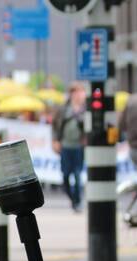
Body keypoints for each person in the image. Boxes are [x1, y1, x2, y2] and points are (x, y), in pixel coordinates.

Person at [51, 82, 87, 212]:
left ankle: (78, 201)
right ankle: (72, 198)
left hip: (79, 146)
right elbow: (55, 126)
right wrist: (55, 140)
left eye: (81, 92)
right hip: (65, 146)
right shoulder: (63, 109)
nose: (79, 95)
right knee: (65, 175)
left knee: (77, 175)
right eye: (76, 92)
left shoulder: (86, 109)